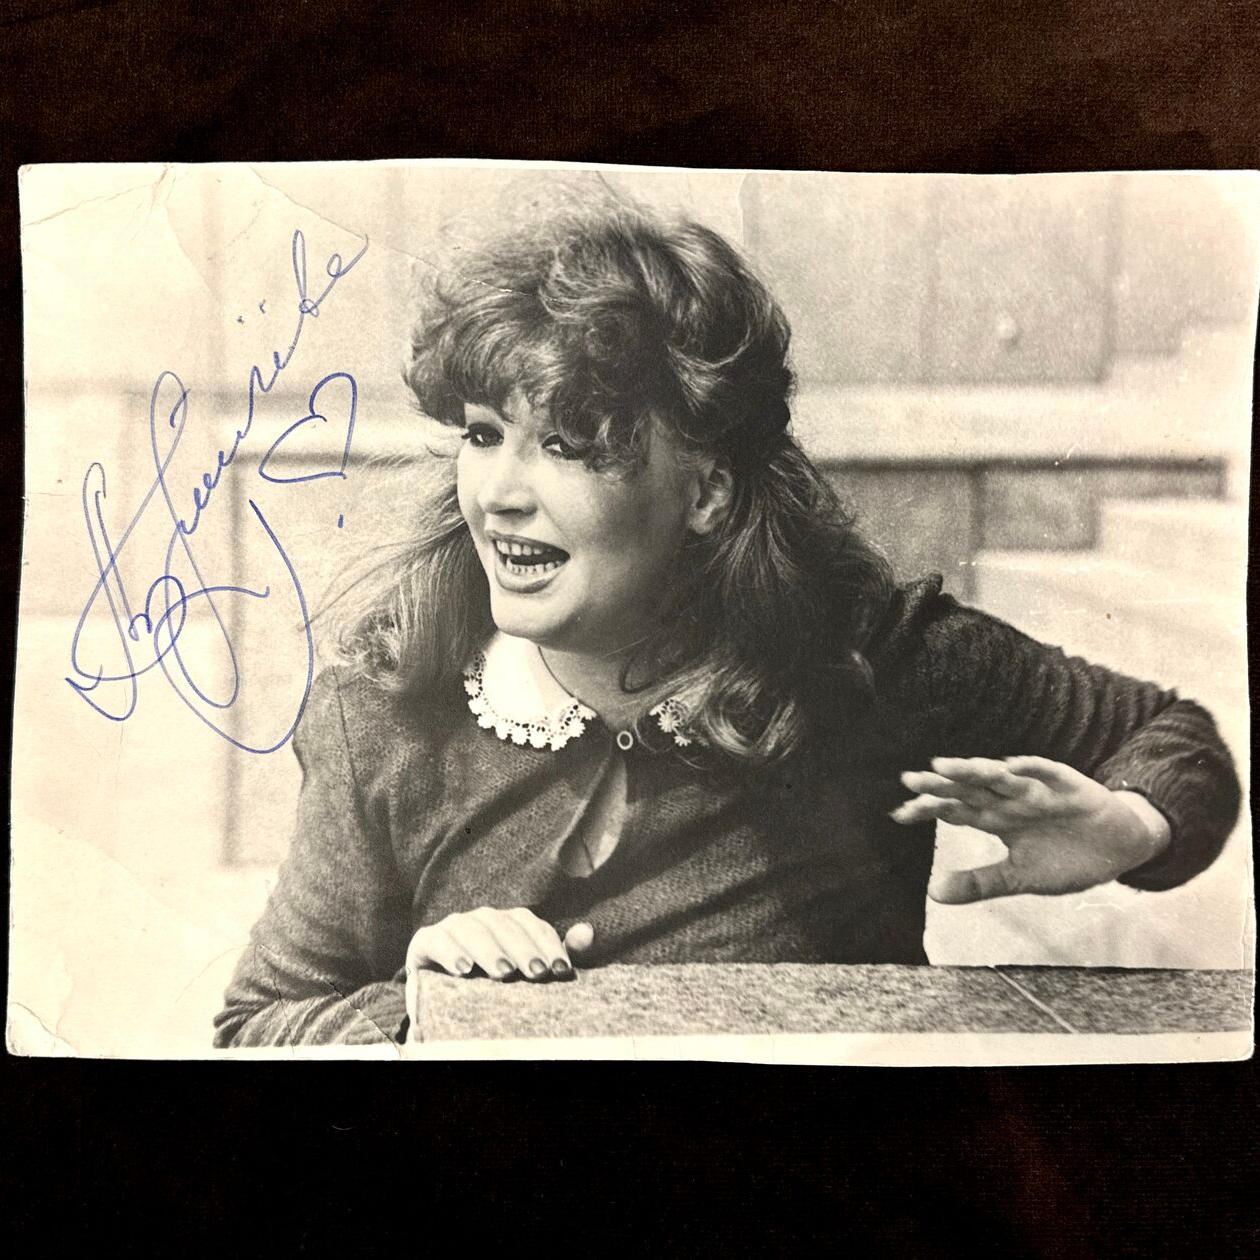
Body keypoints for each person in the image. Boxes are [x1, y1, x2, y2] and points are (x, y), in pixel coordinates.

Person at [213, 195, 1241, 1048]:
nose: (500, 494)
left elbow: (1175, 738)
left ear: (705, 490)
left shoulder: (863, 658)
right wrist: (421, 1009)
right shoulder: (389, 710)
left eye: (569, 445)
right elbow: (259, 1023)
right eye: (485, 435)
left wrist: (1130, 827)